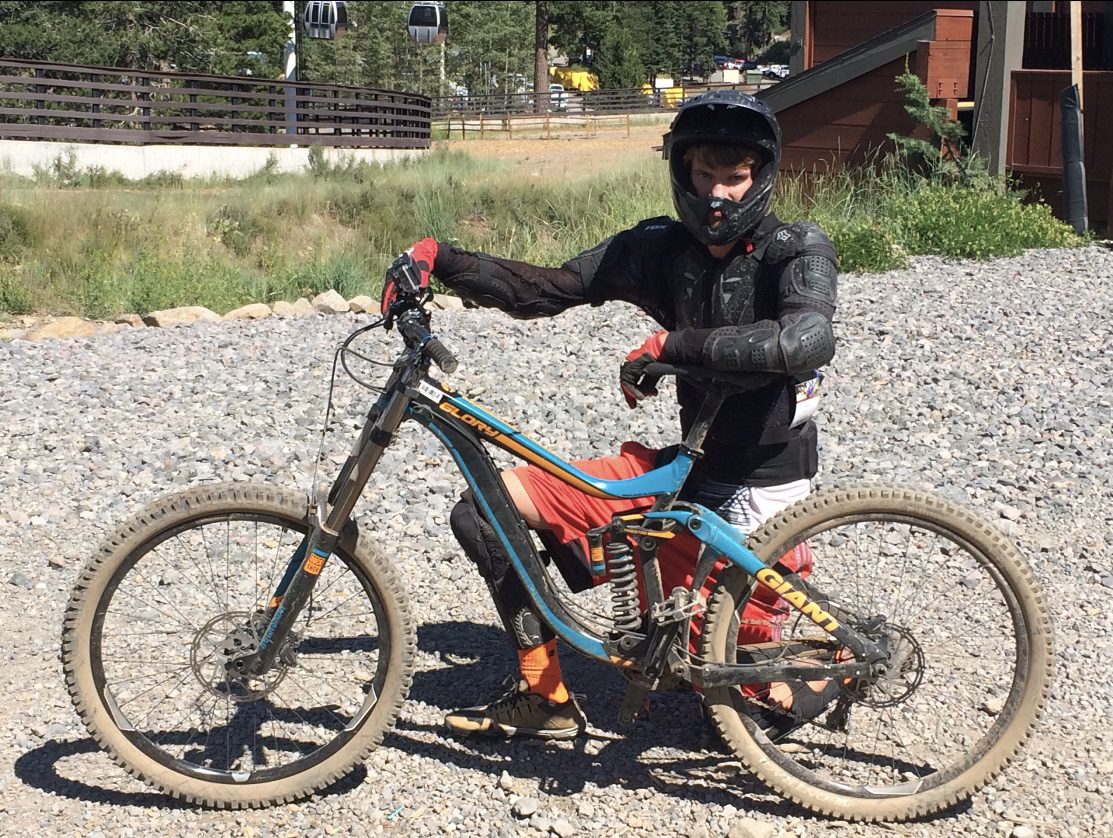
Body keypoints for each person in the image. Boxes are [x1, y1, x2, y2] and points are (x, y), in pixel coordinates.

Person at [379, 91, 839, 741]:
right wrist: (440, 258)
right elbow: (546, 289)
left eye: (734, 177)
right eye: (703, 174)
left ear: (760, 177)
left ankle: (828, 657)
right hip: (686, 472)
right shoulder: (661, 249)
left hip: (759, 499)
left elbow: (803, 343)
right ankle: (544, 696)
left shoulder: (795, 248)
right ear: (681, 172)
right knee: (483, 507)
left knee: (743, 702)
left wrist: (671, 347)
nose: (717, 195)